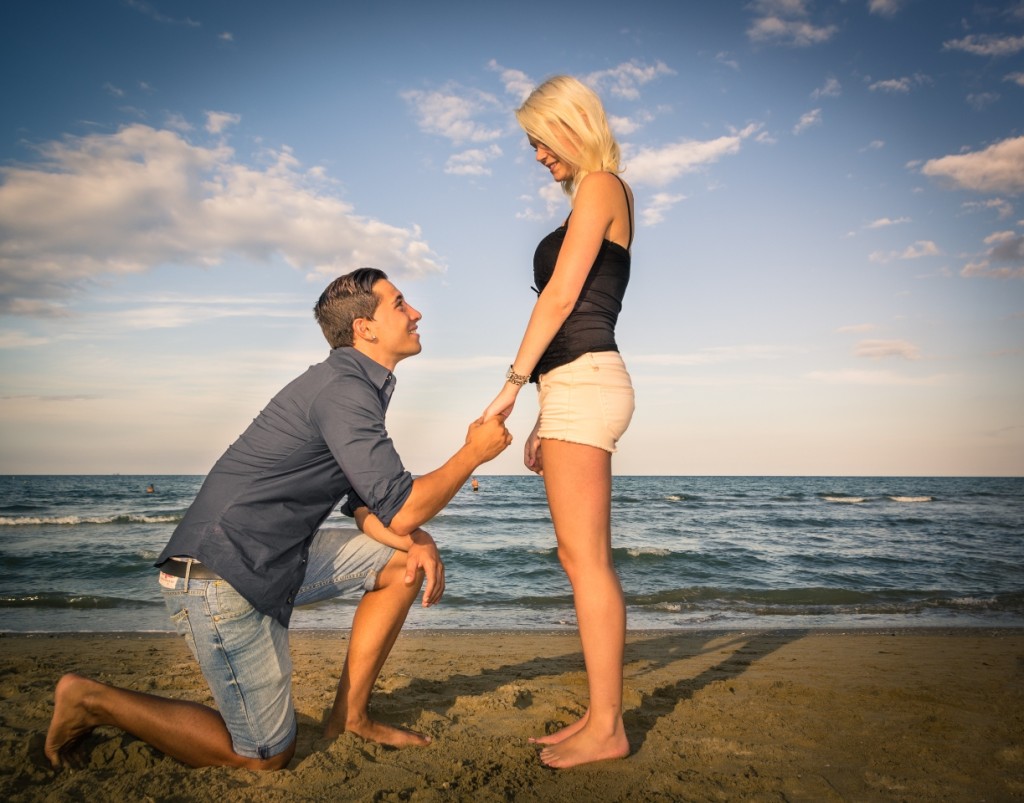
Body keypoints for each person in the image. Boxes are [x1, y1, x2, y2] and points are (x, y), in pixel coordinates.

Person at [46, 267, 512, 771]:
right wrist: (471, 453)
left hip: (273, 561)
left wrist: (415, 538)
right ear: (365, 328)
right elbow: (401, 506)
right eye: (400, 303)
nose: (416, 312)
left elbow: (364, 505)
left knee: (403, 562)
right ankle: (90, 700)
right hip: (220, 576)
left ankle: (350, 718)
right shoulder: (343, 389)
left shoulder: (354, 385)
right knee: (266, 757)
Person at [481, 75, 635, 769]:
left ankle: (607, 727)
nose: (538, 156)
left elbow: (564, 297)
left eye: (540, 141)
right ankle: (599, 715)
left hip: (585, 381)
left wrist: (511, 387)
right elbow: (570, 305)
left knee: (587, 564)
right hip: (574, 386)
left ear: (571, 125)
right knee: (581, 561)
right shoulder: (594, 196)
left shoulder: (603, 185)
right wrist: (545, 407)